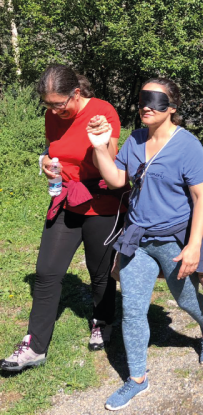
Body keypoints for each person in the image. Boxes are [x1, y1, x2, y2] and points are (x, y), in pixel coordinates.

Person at [87, 77, 203, 411]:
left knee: (187, 300)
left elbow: (201, 197)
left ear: (172, 107)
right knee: (132, 310)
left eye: (156, 101)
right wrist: (98, 146)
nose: (147, 106)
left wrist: (193, 246)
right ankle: (137, 379)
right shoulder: (134, 140)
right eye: (143, 99)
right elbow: (117, 179)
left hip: (174, 240)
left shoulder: (187, 145)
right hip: (138, 239)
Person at [1, 65, 125, 373]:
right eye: (49, 105)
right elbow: (52, 149)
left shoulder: (102, 111)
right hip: (66, 199)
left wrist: (101, 137)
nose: (55, 110)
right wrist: (43, 160)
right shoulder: (52, 116)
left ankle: (102, 320)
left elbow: (112, 166)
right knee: (46, 272)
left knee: (101, 273)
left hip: (101, 203)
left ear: (77, 93)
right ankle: (34, 347)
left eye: (60, 104)